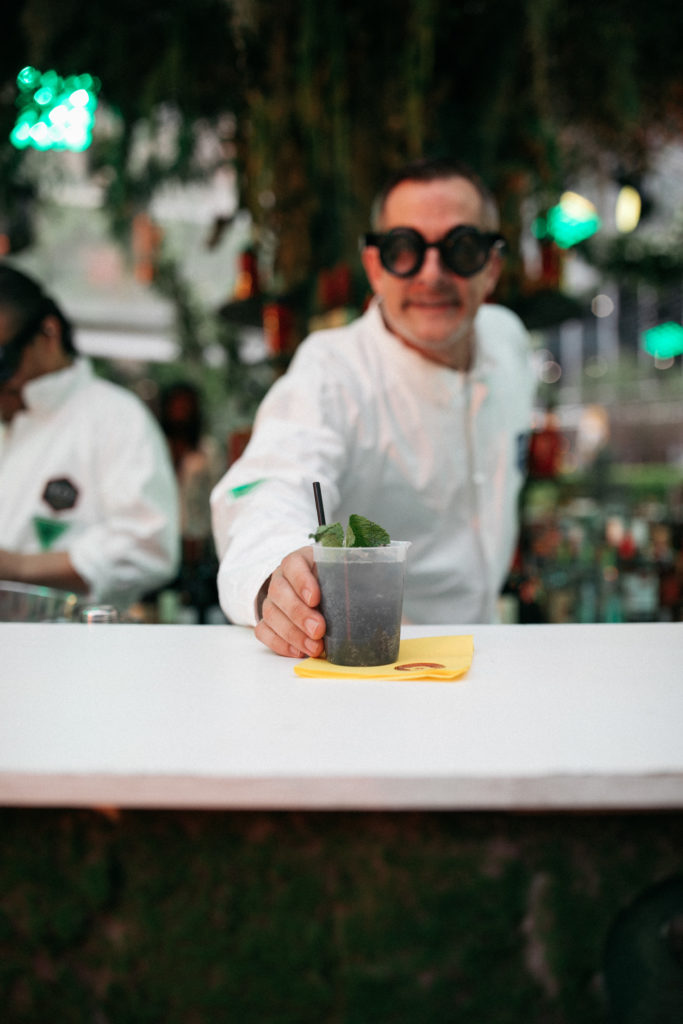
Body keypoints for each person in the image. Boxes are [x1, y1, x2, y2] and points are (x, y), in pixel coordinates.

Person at [211, 156, 536, 657]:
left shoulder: (508, 341)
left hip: (492, 652)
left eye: (461, 248)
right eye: (405, 249)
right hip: (377, 664)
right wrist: (278, 572)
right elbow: (271, 484)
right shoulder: (332, 370)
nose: (432, 273)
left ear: (492, 267)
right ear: (374, 267)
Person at [0, 263, 180, 608]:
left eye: (1, 362)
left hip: (76, 646)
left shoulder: (115, 417)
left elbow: (148, 546)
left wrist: (18, 566)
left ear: (49, 335)